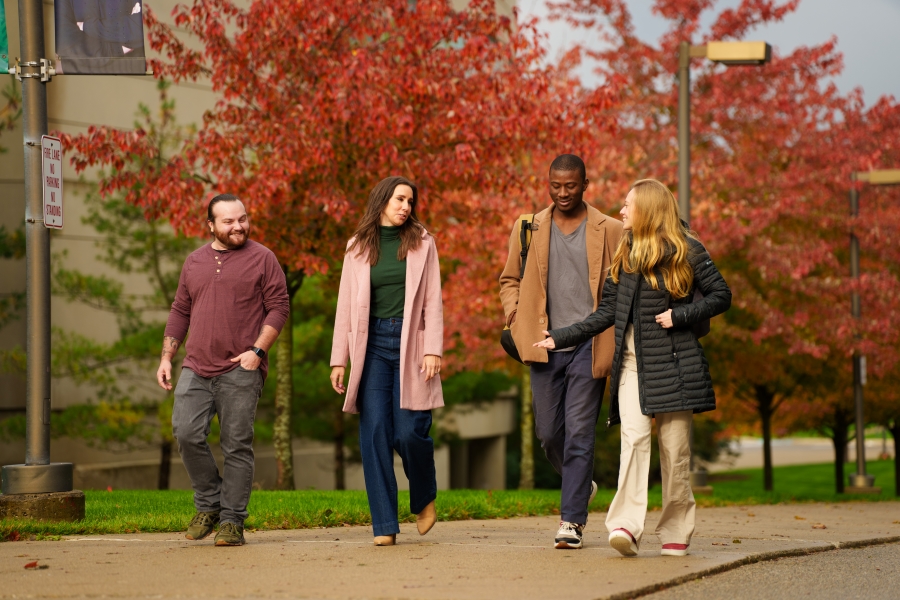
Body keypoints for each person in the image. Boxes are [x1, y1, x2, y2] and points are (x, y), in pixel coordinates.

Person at [533, 178, 731, 557]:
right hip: (631, 366)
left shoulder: (687, 249)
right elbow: (607, 312)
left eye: (628, 205)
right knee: (634, 441)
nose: (621, 211)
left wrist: (682, 314)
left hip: (674, 365)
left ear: (649, 210)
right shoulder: (626, 252)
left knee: (674, 453)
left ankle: (675, 527)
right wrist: (562, 336)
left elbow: (722, 295)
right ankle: (625, 524)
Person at [499, 154, 623, 549]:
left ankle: (571, 521)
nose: (563, 193)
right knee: (549, 433)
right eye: (556, 186)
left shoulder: (612, 230)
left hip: (589, 343)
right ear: (548, 184)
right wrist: (516, 315)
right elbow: (508, 279)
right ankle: (580, 483)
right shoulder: (528, 227)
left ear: (586, 184)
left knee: (580, 434)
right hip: (544, 344)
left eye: (571, 185)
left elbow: (623, 288)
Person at [157, 194, 290, 547]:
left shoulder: (263, 258)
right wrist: (167, 357)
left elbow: (278, 307)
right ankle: (210, 504)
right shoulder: (194, 261)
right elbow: (180, 309)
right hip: (196, 366)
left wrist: (257, 352)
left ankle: (232, 520)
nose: (238, 227)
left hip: (240, 368)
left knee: (236, 445)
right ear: (211, 225)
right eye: (229, 221)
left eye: (242, 219)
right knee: (185, 433)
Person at [330, 176, 444, 547]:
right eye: (400, 199)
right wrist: (339, 360)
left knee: (411, 430)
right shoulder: (358, 246)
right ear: (382, 200)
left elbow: (433, 299)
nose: (406, 207)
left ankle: (424, 495)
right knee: (375, 431)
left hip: (412, 343)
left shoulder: (423, 242)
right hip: (372, 345)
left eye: (410, 201)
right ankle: (384, 524)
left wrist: (433, 348)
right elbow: (346, 306)